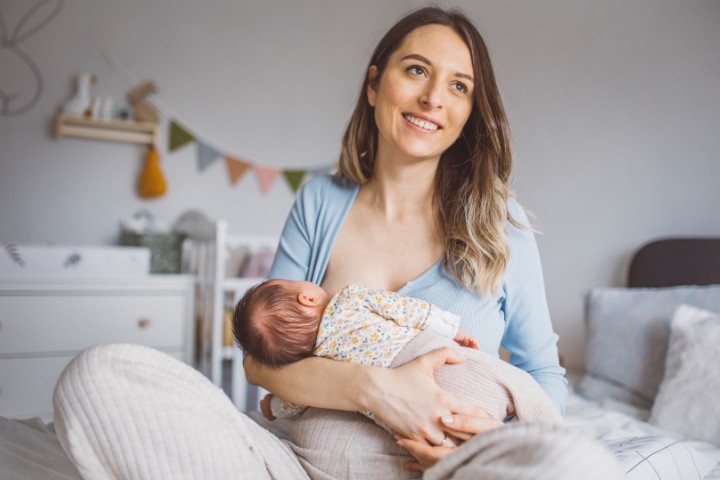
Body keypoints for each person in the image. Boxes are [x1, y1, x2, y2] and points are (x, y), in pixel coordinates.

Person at [53, 6, 622, 479]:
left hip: (447, 469)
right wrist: (377, 389)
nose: (433, 99)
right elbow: (259, 363)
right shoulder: (321, 202)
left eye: (458, 86)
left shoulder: (502, 224)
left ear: (470, 113)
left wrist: (489, 441)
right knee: (97, 376)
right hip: (296, 462)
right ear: (375, 85)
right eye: (417, 71)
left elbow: (543, 375)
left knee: (580, 465)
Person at [233, 280, 561, 428]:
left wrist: (272, 405)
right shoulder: (348, 299)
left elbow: (293, 402)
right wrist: (451, 329)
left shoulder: (315, 365)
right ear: (306, 298)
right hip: (442, 361)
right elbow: (407, 310)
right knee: (517, 390)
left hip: (421, 422)